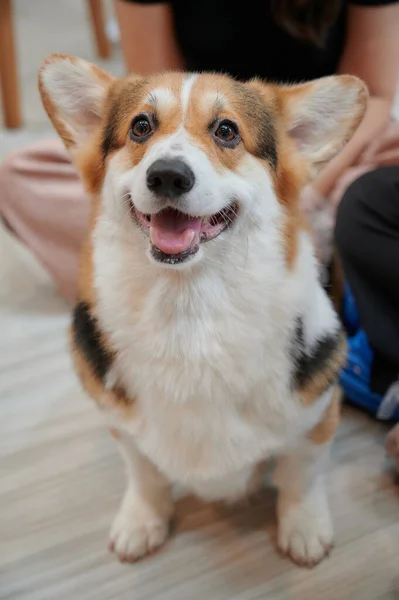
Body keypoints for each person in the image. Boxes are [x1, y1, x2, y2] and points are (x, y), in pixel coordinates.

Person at [1, 0, 399, 462]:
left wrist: (301, 192)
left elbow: (371, 94)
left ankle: (318, 255)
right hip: (191, 170)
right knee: (23, 173)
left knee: (374, 191)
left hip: (300, 149)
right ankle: (338, 272)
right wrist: (160, 157)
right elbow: (147, 105)